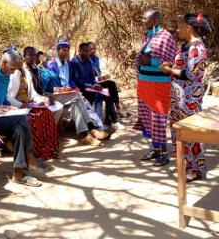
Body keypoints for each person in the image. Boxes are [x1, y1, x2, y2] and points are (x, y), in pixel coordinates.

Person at [0, 47, 49, 187]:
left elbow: (3, 99)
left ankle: (19, 173)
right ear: (3, 63)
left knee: (19, 129)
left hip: (2, 117)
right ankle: (30, 157)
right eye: (12, 69)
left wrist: (9, 107)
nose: (13, 72)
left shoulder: (6, 75)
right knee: (22, 118)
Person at [161, 13, 213, 181]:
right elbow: (182, 66)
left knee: (192, 135)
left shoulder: (197, 47)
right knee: (182, 135)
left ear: (188, 28)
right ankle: (187, 165)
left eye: (180, 27)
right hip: (179, 99)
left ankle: (197, 169)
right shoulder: (186, 45)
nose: (177, 30)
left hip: (189, 100)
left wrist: (170, 71)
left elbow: (190, 74)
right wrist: (171, 66)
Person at [45, 41, 109, 145]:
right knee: (78, 95)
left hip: (67, 95)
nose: (66, 53)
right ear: (58, 50)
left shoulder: (68, 64)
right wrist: (61, 89)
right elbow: (49, 84)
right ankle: (91, 127)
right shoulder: (51, 64)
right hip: (53, 95)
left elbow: (70, 80)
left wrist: (72, 87)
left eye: (67, 50)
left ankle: (85, 135)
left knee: (75, 104)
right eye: (63, 50)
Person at [134, 10, 176, 166]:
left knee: (158, 117)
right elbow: (142, 57)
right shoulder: (149, 35)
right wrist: (142, 60)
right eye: (143, 17)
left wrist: (149, 61)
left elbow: (169, 60)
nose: (143, 20)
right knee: (147, 116)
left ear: (156, 20)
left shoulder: (165, 37)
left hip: (159, 84)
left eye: (146, 18)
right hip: (144, 83)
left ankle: (164, 153)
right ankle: (155, 149)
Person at [7, 49, 63, 160]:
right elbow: (8, 97)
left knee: (46, 112)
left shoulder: (26, 73)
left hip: (28, 104)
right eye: (16, 60)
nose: (19, 62)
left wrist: (42, 99)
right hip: (17, 106)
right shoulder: (11, 74)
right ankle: (35, 149)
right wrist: (20, 105)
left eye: (19, 59)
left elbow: (32, 93)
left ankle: (48, 147)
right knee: (36, 117)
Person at [71, 43, 120, 131]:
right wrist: (92, 86)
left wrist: (95, 85)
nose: (87, 53)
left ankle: (108, 121)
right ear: (80, 51)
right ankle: (99, 125)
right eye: (85, 51)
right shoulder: (75, 62)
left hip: (90, 87)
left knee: (106, 93)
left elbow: (92, 77)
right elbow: (77, 80)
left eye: (88, 51)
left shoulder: (89, 61)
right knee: (99, 95)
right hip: (80, 88)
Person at [88, 42, 129, 120]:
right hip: (91, 83)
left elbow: (98, 72)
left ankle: (115, 111)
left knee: (112, 84)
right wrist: (99, 79)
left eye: (94, 48)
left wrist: (102, 77)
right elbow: (89, 77)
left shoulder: (96, 58)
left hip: (97, 80)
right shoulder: (87, 59)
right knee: (110, 88)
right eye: (90, 49)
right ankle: (117, 110)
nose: (92, 51)